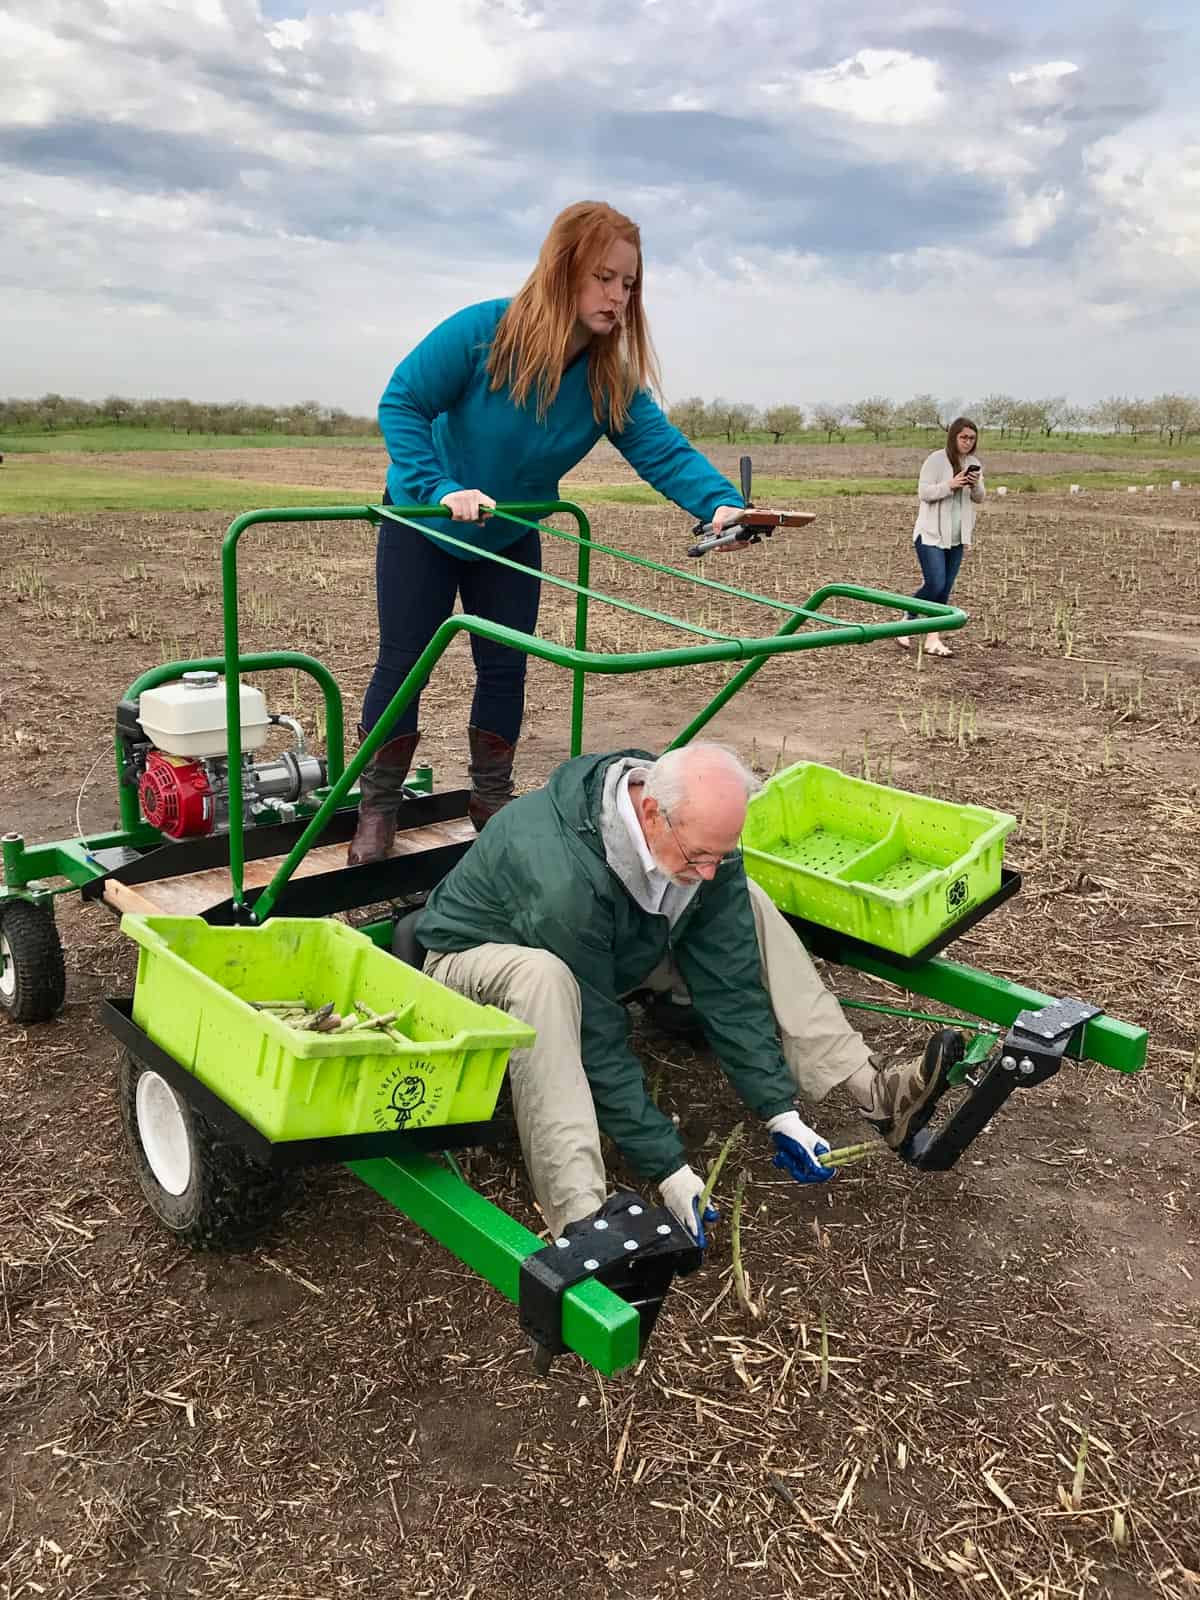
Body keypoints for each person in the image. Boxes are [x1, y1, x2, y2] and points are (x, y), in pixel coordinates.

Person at [413, 742, 964, 1242]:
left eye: (717, 854)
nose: (707, 870)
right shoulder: (561, 877)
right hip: (475, 966)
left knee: (743, 898)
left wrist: (778, 1111)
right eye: (699, 855)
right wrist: (667, 1166)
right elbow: (598, 1037)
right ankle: (580, 1217)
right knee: (547, 979)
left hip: (616, 948)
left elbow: (731, 977)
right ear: (652, 813)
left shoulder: (698, 832)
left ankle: (875, 1093)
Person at [348, 201, 748, 864]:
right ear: (564, 271)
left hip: (508, 534)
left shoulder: (604, 377)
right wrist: (439, 489)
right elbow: (403, 401)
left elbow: (663, 449)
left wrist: (723, 506)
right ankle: (378, 808)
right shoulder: (484, 332)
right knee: (403, 665)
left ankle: (491, 804)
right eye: (605, 278)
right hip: (424, 522)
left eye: (629, 284)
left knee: (504, 670)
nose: (618, 296)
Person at [897, 417, 985, 657]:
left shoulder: (974, 463)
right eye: (963, 437)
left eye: (972, 438)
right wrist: (950, 484)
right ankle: (908, 618)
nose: (967, 442)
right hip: (931, 533)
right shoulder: (936, 460)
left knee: (945, 587)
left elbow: (979, 498)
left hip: (956, 536)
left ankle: (933, 639)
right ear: (954, 437)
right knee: (935, 582)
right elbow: (924, 492)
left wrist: (974, 485)